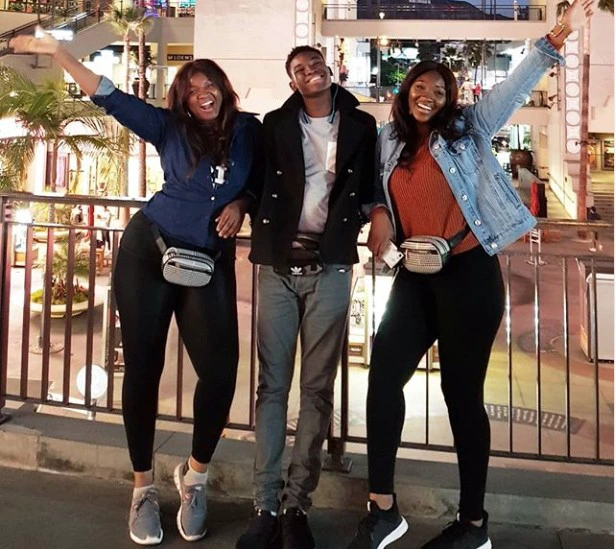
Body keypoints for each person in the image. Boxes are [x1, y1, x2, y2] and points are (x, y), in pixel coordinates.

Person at [345, 1, 594, 548]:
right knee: (383, 378)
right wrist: (378, 211)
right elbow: (372, 189)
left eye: (439, 89)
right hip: (415, 275)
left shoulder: (470, 128)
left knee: (461, 396)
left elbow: (515, 85)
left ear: (449, 98)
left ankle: (474, 525)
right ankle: (383, 509)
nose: (428, 94)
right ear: (405, 91)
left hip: (469, 275)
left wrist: (558, 35)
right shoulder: (389, 140)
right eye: (419, 86)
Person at [10, 28, 263, 546]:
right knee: (143, 369)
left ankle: (194, 476)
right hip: (147, 251)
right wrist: (60, 53)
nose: (203, 94)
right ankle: (143, 487)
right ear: (182, 100)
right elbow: (108, 94)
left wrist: (242, 204)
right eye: (192, 89)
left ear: (224, 88)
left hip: (206, 260)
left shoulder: (249, 131)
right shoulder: (168, 128)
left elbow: (261, 182)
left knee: (220, 373)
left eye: (210, 84)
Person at [237, 46, 379, 549]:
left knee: (317, 390)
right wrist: (238, 205)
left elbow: (371, 185)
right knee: (272, 387)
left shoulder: (361, 125)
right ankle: (265, 505)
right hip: (277, 265)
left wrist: (378, 214)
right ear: (292, 81)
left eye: (315, 64)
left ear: (329, 69)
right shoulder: (276, 124)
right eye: (299, 69)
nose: (309, 72)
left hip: (332, 265)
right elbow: (255, 182)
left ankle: (297, 506)